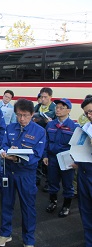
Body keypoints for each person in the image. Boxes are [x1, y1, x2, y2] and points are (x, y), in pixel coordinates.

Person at [0, 98, 46, 247]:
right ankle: (5, 234)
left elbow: (37, 154)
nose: (21, 119)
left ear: (32, 115)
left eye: (25, 115)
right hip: (9, 172)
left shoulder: (40, 131)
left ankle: (28, 239)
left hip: (26, 174)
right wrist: (3, 153)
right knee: (6, 203)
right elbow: (3, 144)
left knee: (28, 207)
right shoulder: (10, 127)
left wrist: (17, 158)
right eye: (18, 115)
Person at [43, 98, 77, 217]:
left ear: (68, 110)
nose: (58, 110)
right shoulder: (51, 125)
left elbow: (77, 146)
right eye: (57, 107)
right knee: (53, 182)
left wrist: (75, 160)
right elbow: (46, 141)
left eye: (61, 108)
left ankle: (66, 206)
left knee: (68, 184)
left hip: (67, 159)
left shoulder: (74, 127)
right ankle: (53, 202)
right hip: (52, 158)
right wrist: (45, 155)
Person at [74, 97, 92, 246]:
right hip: (84, 174)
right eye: (87, 113)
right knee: (85, 212)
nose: (89, 115)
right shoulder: (85, 128)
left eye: (91, 111)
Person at [33, 87, 56, 191]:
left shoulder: (55, 108)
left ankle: (48, 182)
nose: (42, 99)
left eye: (45, 97)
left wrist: (42, 120)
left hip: (49, 138)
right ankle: (37, 178)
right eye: (41, 97)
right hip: (37, 136)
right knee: (37, 158)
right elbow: (33, 118)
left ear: (50, 97)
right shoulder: (37, 107)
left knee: (47, 161)